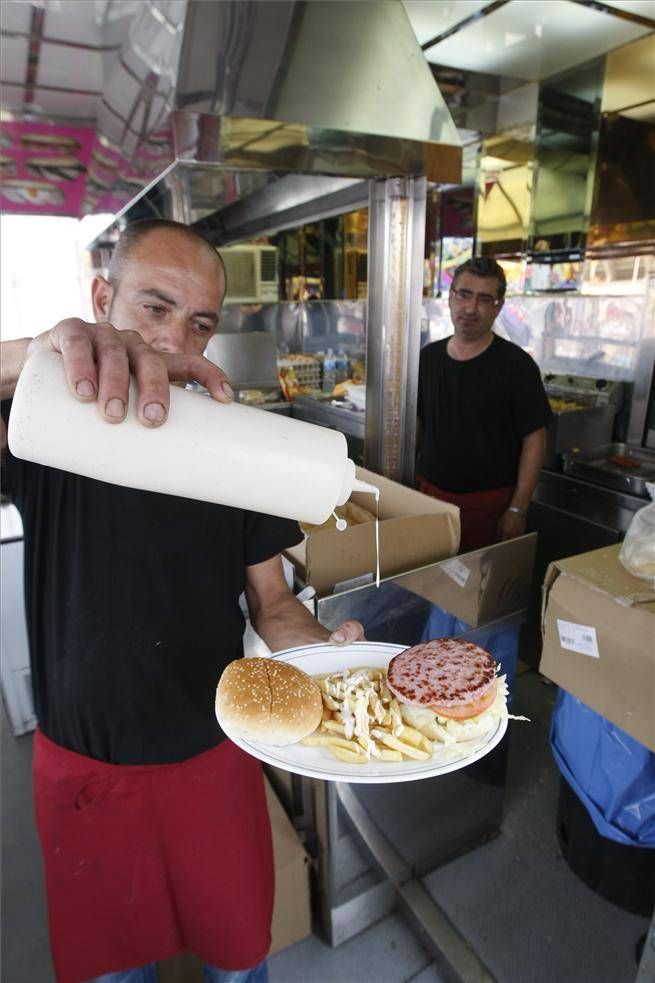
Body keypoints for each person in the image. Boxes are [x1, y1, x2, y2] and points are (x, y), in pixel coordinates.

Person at [0, 218, 364, 983]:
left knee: (238, 962)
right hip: (86, 775)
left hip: (213, 761)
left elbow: (273, 603)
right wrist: (39, 347)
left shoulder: (233, 452)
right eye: (153, 308)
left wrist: (333, 662)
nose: (173, 341)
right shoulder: (48, 432)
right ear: (102, 297)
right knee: (112, 972)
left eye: (198, 323)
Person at [417, 256, 553, 553]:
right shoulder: (428, 358)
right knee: (424, 588)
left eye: (484, 298)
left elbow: (535, 438)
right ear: (450, 297)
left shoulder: (516, 365)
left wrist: (518, 510)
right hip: (428, 499)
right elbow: (418, 425)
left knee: (471, 594)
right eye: (464, 294)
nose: (470, 307)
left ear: (498, 305)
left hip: (487, 507)